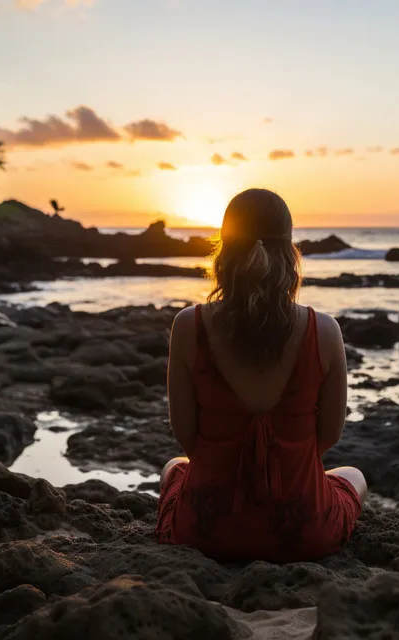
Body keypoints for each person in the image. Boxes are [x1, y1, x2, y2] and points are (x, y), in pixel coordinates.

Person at [155, 188, 367, 562]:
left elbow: (187, 436)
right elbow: (329, 436)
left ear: (224, 251)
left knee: (175, 466)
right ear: (289, 253)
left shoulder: (189, 327)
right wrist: (279, 466)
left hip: (206, 531)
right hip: (303, 531)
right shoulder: (326, 331)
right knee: (353, 475)